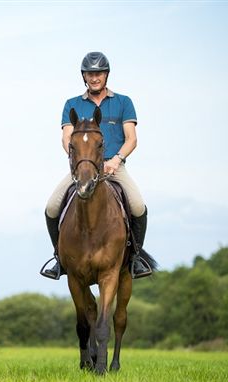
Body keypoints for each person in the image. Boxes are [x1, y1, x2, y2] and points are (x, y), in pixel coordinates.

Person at [41, 52, 152, 280]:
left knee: (138, 206)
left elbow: (131, 138)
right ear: (84, 77)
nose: (94, 78)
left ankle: (136, 258)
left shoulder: (123, 102)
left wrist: (116, 160)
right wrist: (81, 164)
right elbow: (67, 138)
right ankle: (60, 258)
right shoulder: (72, 104)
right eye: (90, 74)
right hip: (83, 169)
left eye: (98, 73)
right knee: (51, 208)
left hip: (114, 166)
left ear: (106, 75)